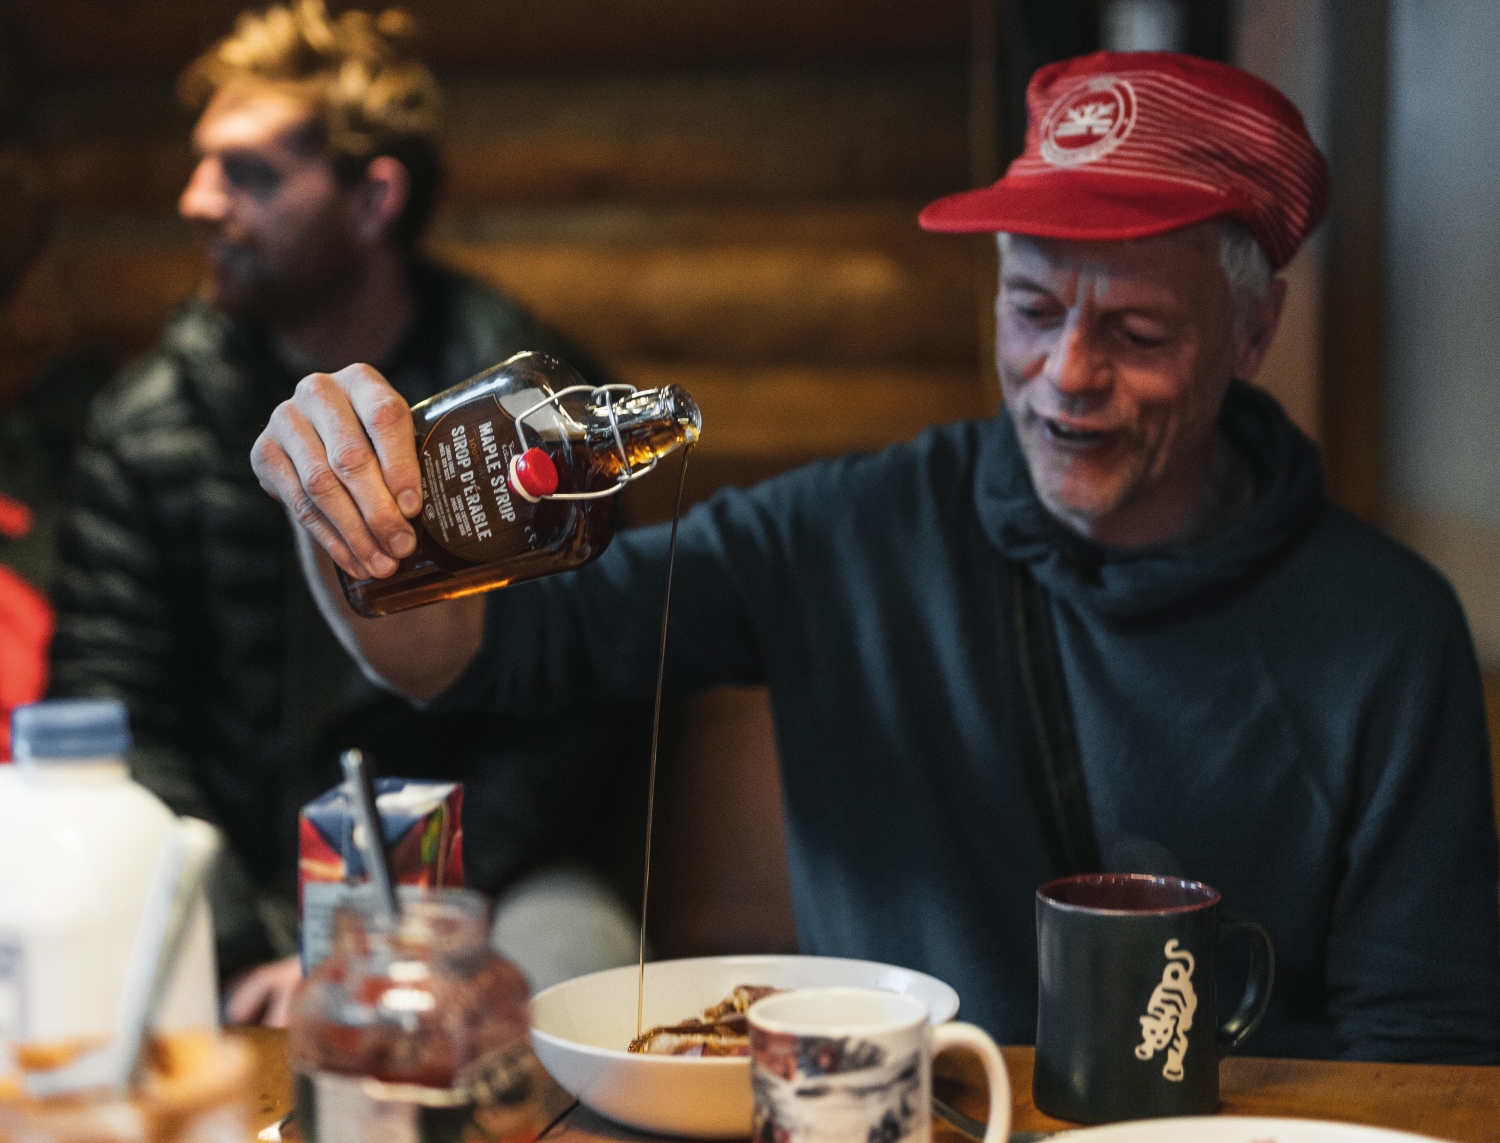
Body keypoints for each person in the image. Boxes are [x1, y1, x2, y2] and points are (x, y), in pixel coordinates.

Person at [249, 52, 1500, 1061]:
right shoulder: (853, 529)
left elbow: (1428, 1048)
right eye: (1030, 309)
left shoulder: (1387, 630)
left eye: (1136, 328)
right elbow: (465, 657)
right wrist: (349, 519)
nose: (1066, 374)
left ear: (1253, 330)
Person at [50, 0, 645, 1025]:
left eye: (250, 174)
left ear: (374, 201)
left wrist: (393, 924)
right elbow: (123, 715)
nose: (198, 200)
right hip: (223, 879)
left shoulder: (528, 409)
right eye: (201, 165)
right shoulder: (144, 426)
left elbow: (580, 714)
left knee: (581, 975)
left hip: (483, 879)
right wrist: (251, 942)